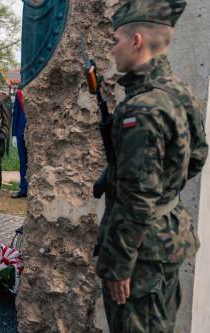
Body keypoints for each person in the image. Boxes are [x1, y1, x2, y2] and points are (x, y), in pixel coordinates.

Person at [94, 1, 208, 332]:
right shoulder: (179, 91)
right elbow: (198, 155)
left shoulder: (142, 109)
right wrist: (166, 186)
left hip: (141, 255)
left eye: (115, 40)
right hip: (164, 241)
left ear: (136, 41)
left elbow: (138, 197)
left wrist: (118, 265)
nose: (113, 50)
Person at [11, 89, 28, 198]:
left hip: (37, 133)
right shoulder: (20, 93)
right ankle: (23, 188)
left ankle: (35, 187)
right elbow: (16, 113)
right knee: (23, 162)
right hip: (21, 132)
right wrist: (14, 134)